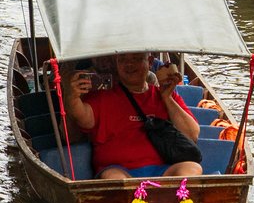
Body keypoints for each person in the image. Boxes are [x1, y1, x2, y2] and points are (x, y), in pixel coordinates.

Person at [63, 52, 203, 180]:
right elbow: (82, 117)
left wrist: (167, 98)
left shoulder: (165, 94)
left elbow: (192, 134)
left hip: (163, 170)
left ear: (149, 61)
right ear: (117, 63)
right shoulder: (102, 96)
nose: (129, 65)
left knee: (192, 168)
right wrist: (72, 96)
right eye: (123, 60)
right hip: (119, 170)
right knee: (113, 177)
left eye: (136, 59)